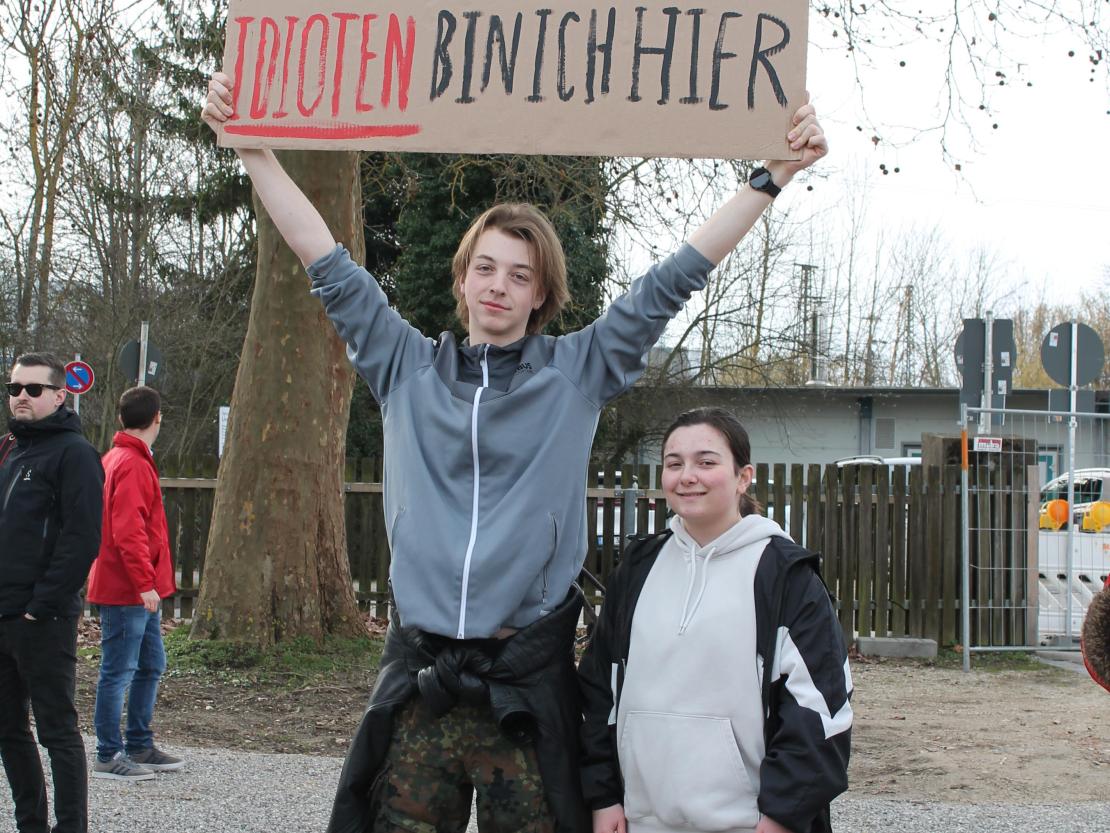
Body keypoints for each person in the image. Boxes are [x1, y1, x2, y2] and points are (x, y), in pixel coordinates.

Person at [202, 70, 828, 833]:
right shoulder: (404, 368)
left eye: (520, 275)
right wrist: (255, 151)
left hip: (525, 690)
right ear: (463, 280)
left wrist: (773, 178)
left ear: (541, 294)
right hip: (424, 680)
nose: (499, 286)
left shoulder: (576, 374)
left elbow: (675, 279)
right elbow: (326, 262)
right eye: (486, 269)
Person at [578, 407, 853, 833]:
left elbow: (821, 711)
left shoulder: (785, 575)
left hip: (749, 824)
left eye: (706, 462)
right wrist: (604, 797)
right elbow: (599, 692)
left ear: (744, 477)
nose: (688, 475)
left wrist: (781, 816)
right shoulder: (637, 569)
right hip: (640, 822)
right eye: (674, 463)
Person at [0, 353, 104, 833]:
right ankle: (31, 825)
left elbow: (82, 538)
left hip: (42, 619)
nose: (21, 396)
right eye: (14, 387)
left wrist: (41, 606)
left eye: (33, 389)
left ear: (60, 396)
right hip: (2, 613)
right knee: (8, 730)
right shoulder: (8, 450)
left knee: (57, 731)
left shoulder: (75, 454)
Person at [87, 385, 183, 780]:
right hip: (128, 589)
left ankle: (139, 745)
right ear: (157, 418)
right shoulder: (131, 463)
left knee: (149, 664)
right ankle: (110, 753)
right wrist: (146, 583)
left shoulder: (118, 458)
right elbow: (129, 531)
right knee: (119, 670)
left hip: (135, 588)